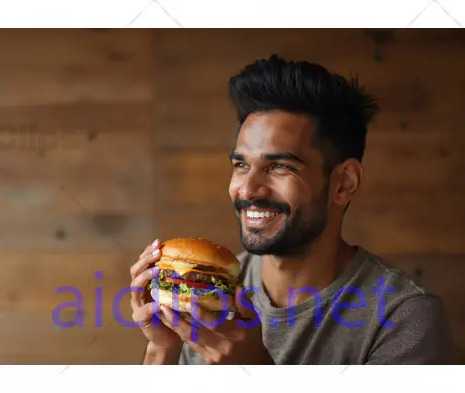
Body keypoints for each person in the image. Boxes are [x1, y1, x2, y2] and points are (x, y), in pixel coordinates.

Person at [129, 55, 453, 365]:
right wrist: (161, 350)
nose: (248, 189)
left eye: (280, 166)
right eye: (241, 165)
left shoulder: (404, 318)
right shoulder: (208, 290)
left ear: (344, 183)